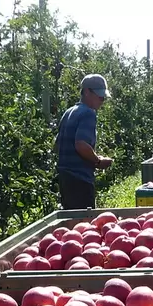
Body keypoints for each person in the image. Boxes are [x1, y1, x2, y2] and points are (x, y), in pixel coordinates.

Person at [54, 74, 114, 210]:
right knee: (84, 224)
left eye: (103, 96)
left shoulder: (69, 112)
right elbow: (81, 145)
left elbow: (57, 145)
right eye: (99, 95)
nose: (102, 99)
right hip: (80, 179)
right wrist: (98, 161)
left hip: (65, 178)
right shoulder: (88, 113)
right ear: (86, 92)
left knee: (71, 222)